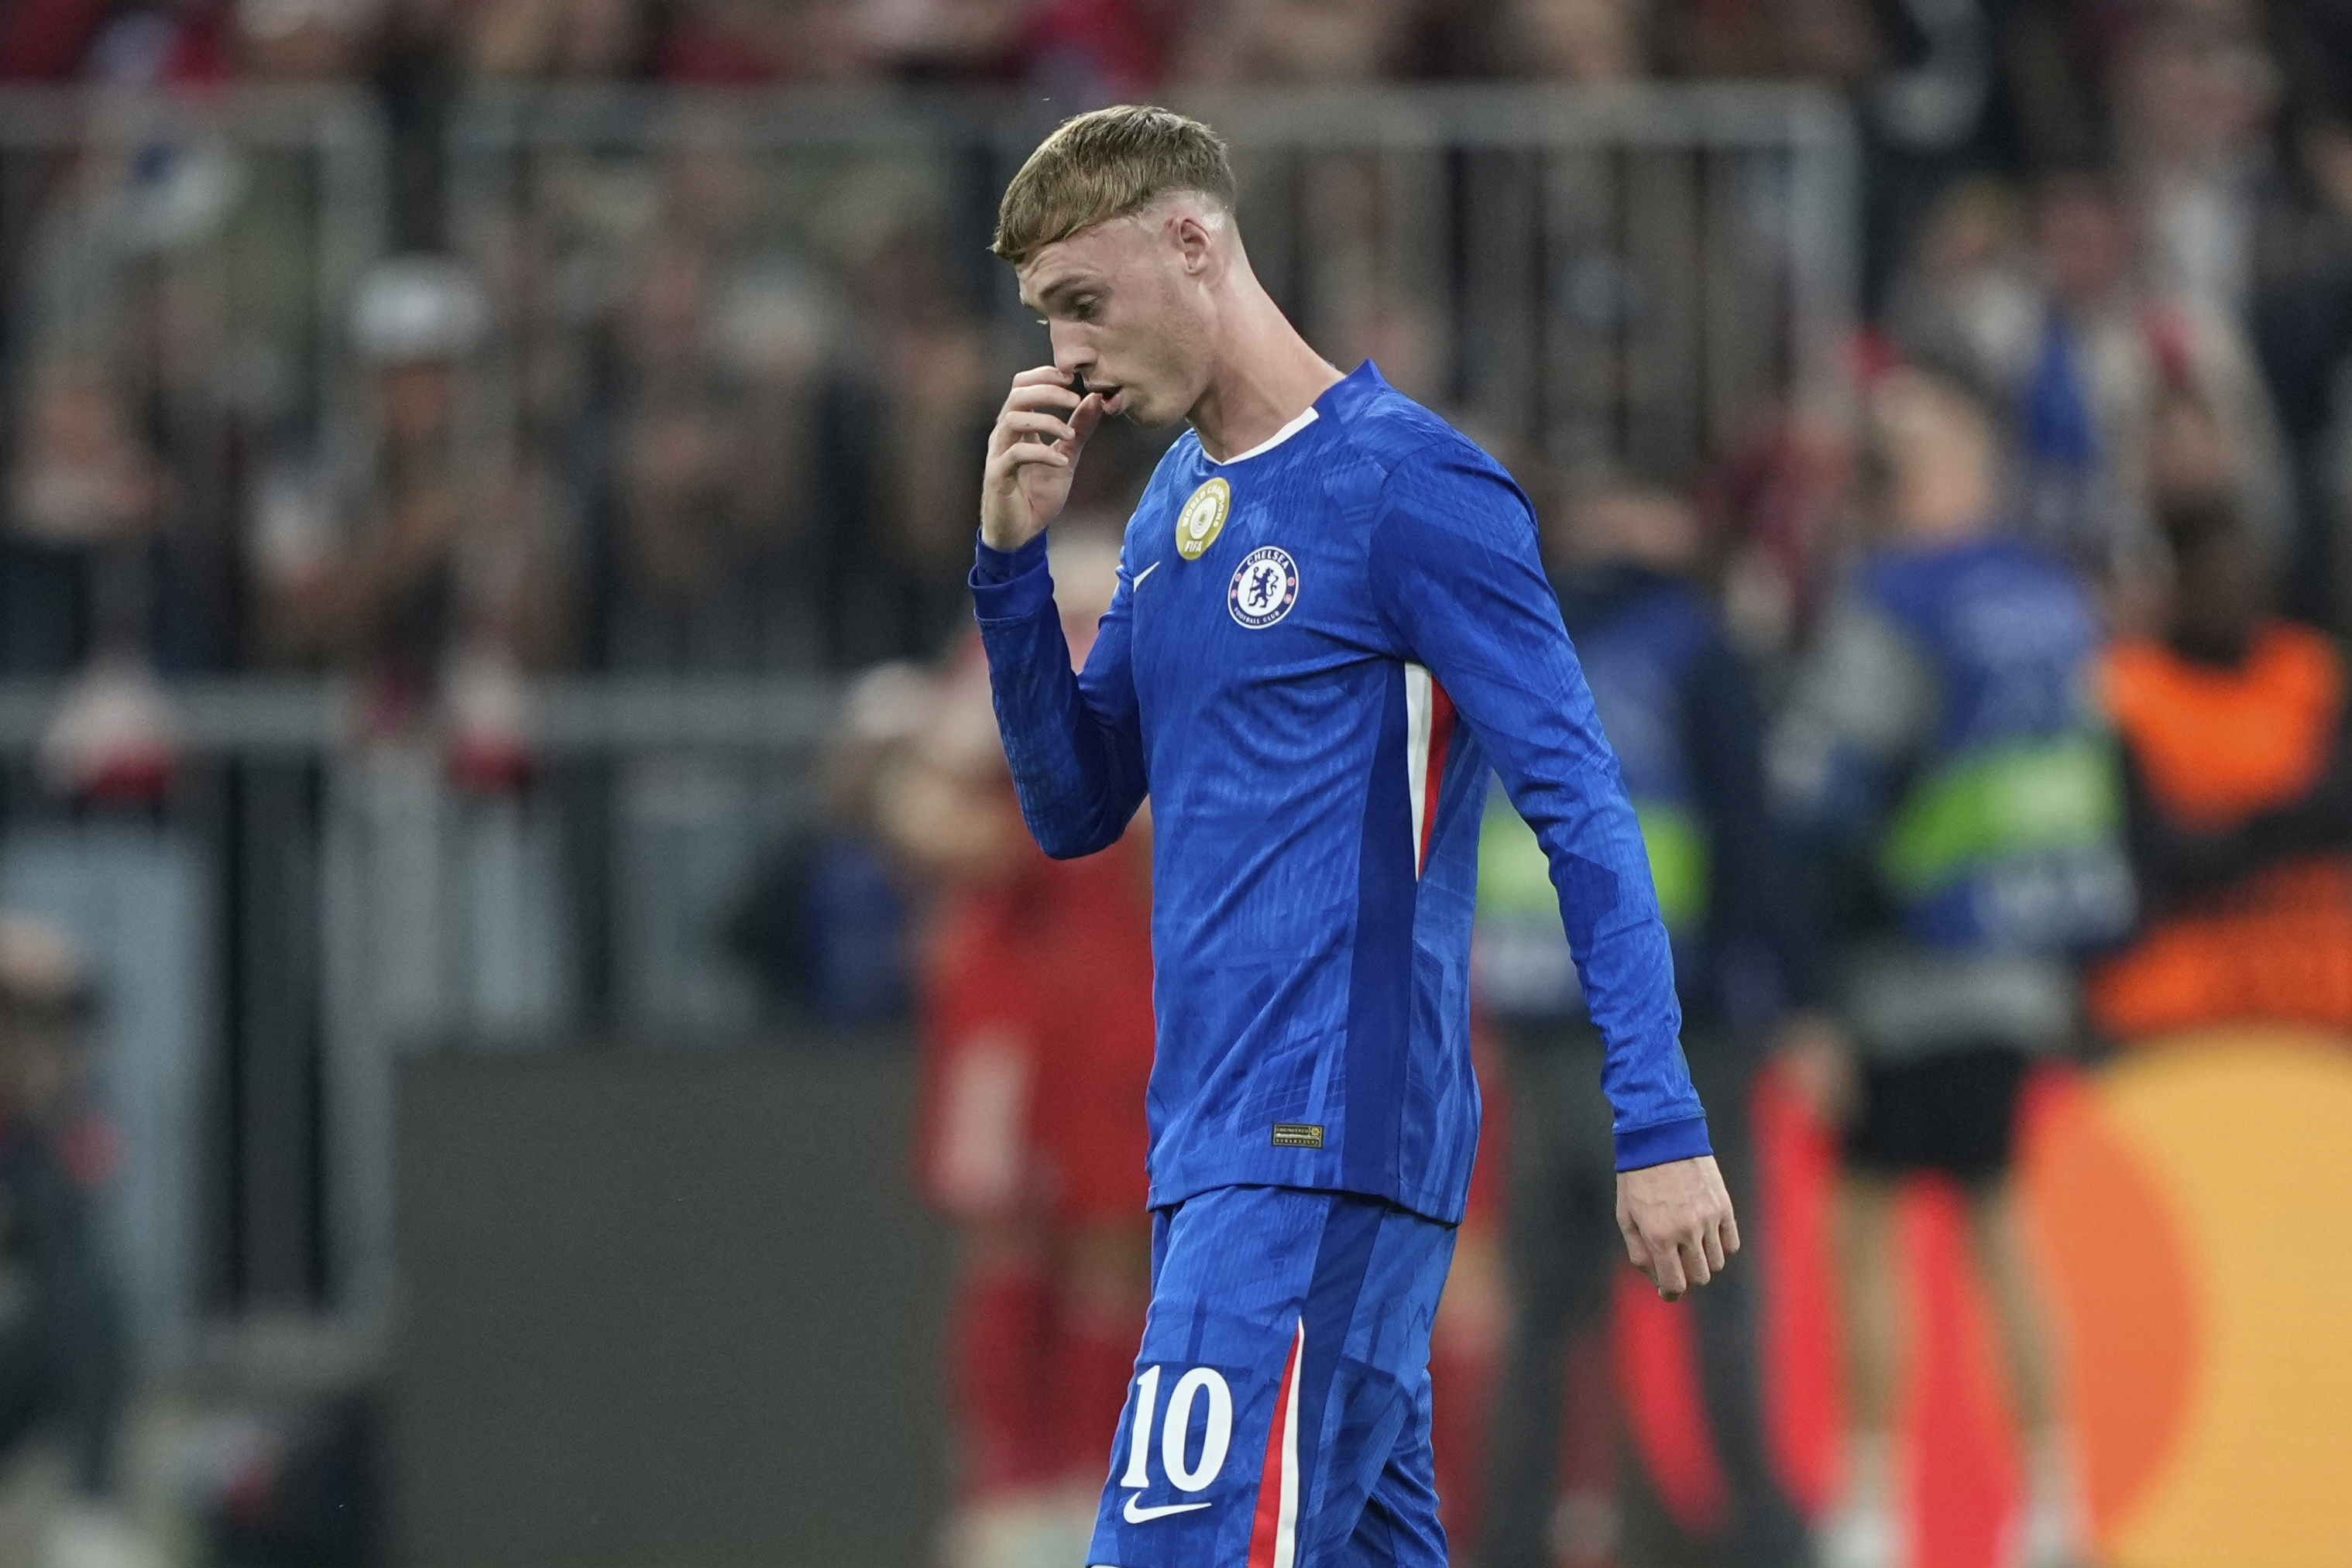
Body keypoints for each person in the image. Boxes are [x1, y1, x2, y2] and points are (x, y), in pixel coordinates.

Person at [969, 105, 1736, 1568]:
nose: (1064, 359)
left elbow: (1579, 800)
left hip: (1317, 1137)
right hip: (1213, 1146)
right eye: (1047, 319)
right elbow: (1075, 808)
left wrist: (1660, 1118)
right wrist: (1009, 567)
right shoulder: (1173, 512)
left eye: (1084, 303)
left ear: (1192, 242)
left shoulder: (1409, 487)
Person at [1770, 365, 2131, 1568]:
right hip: (2020, 964)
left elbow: (1824, 790)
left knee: (1864, 1227)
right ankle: (2052, 1504)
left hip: (1903, 964)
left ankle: (1871, 1510)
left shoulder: (1896, 599)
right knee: (2000, 1224)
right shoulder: (2054, 598)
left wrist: (1812, 981)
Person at [1474, 484, 1811, 1568]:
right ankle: (1755, 1539)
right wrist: (1788, 996)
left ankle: (1512, 1539)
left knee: (1541, 1319)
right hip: (1676, 1032)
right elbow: (1749, 831)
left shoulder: (1510, 638)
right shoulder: (1696, 647)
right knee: (1715, 1302)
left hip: (1533, 1021)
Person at [2085, 489, 2352, 1040]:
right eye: (2209, 580)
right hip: (2179, 989)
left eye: (2243, 579)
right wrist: (2276, 821)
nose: (2229, 596)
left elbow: (2336, 807)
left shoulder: (2311, 672)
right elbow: (2153, 853)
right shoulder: (2127, 688)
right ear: (2173, 590)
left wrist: (2227, 830)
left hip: (2317, 973)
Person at [0, 916, 153, 1568]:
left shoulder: (53, 1126)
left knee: (90, 1297)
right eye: (21, 1017)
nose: (43, 1040)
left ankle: (89, 1513)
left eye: (56, 1020)